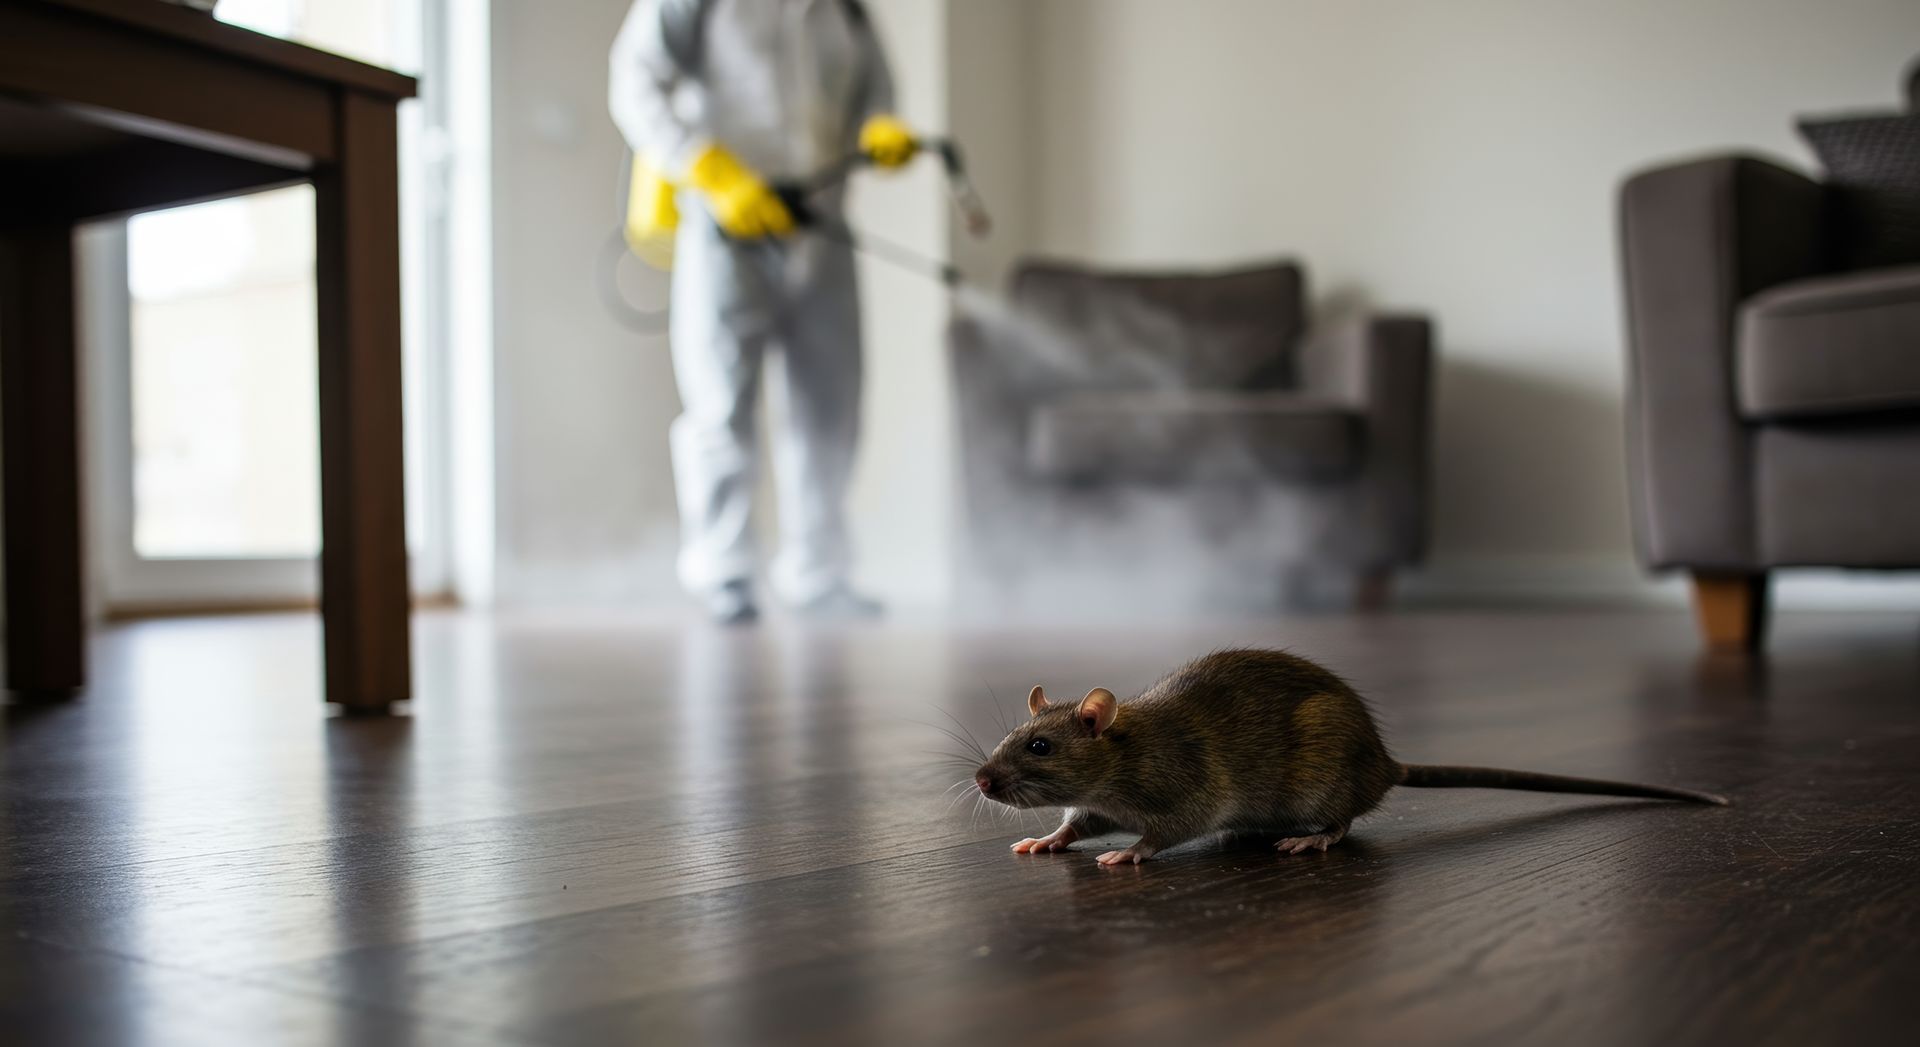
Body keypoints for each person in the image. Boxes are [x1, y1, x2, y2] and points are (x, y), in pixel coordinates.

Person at [610, 0, 917, 624]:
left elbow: (875, 84)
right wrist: (704, 166)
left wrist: (880, 124)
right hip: (726, 225)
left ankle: (820, 574)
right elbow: (635, 78)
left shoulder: (845, 7)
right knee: (722, 404)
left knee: (830, 407)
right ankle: (723, 571)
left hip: (822, 226)